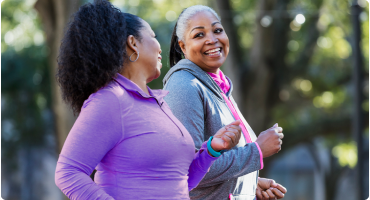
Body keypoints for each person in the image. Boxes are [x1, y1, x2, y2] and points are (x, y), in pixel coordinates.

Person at [54, 1, 243, 199]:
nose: (160, 48)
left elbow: (179, 181)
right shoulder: (111, 100)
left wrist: (211, 149)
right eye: (152, 36)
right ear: (133, 43)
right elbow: (68, 173)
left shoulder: (158, 102)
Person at [163, 5, 287, 200]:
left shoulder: (217, 85)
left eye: (217, 30)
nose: (212, 39)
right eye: (199, 35)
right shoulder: (185, 85)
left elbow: (218, 164)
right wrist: (257, 151)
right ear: (182, 46)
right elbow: (188, 169)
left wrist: (247, 183)